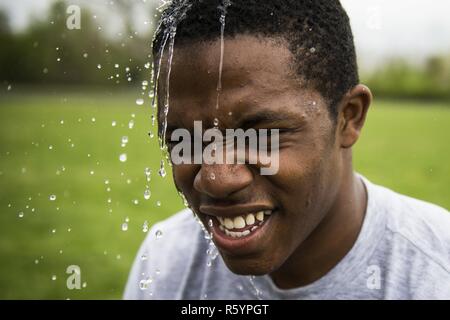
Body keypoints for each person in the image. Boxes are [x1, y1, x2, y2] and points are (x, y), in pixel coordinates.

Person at [124, 0, 450, 299]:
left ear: (349, 117)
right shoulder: (166, 261)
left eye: (263, 135)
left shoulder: (434, 274)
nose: (216, 179)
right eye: (186, 140)